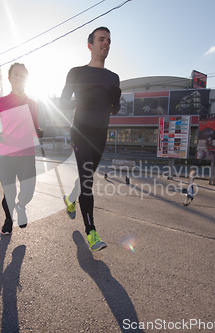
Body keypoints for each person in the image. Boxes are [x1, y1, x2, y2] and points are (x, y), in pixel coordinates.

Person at [60, 27, 121, 251]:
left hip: (100, 134)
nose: (106, 43)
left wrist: (116, 99)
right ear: (90, 45)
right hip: (81, 131)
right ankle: (91, 232)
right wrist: (80, 103)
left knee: (86, 177)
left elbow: (114, 110)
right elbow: (63, 103)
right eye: (101, 39)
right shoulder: (76, 72)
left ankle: (70, 198)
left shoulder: (113, 77)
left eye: (109, 40)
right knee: (88, 180)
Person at [0, 63, 43, 235]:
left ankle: (21, 206)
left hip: (27, 154)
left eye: (22, 75)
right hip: (5, 155)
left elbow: (35, 128)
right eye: (15, 74)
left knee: (28, 192)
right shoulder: (0, 102)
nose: (19, 78)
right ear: (9, 79)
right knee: (9, 192)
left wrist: (39, 132)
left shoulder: (33, 104)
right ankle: (8, 219)